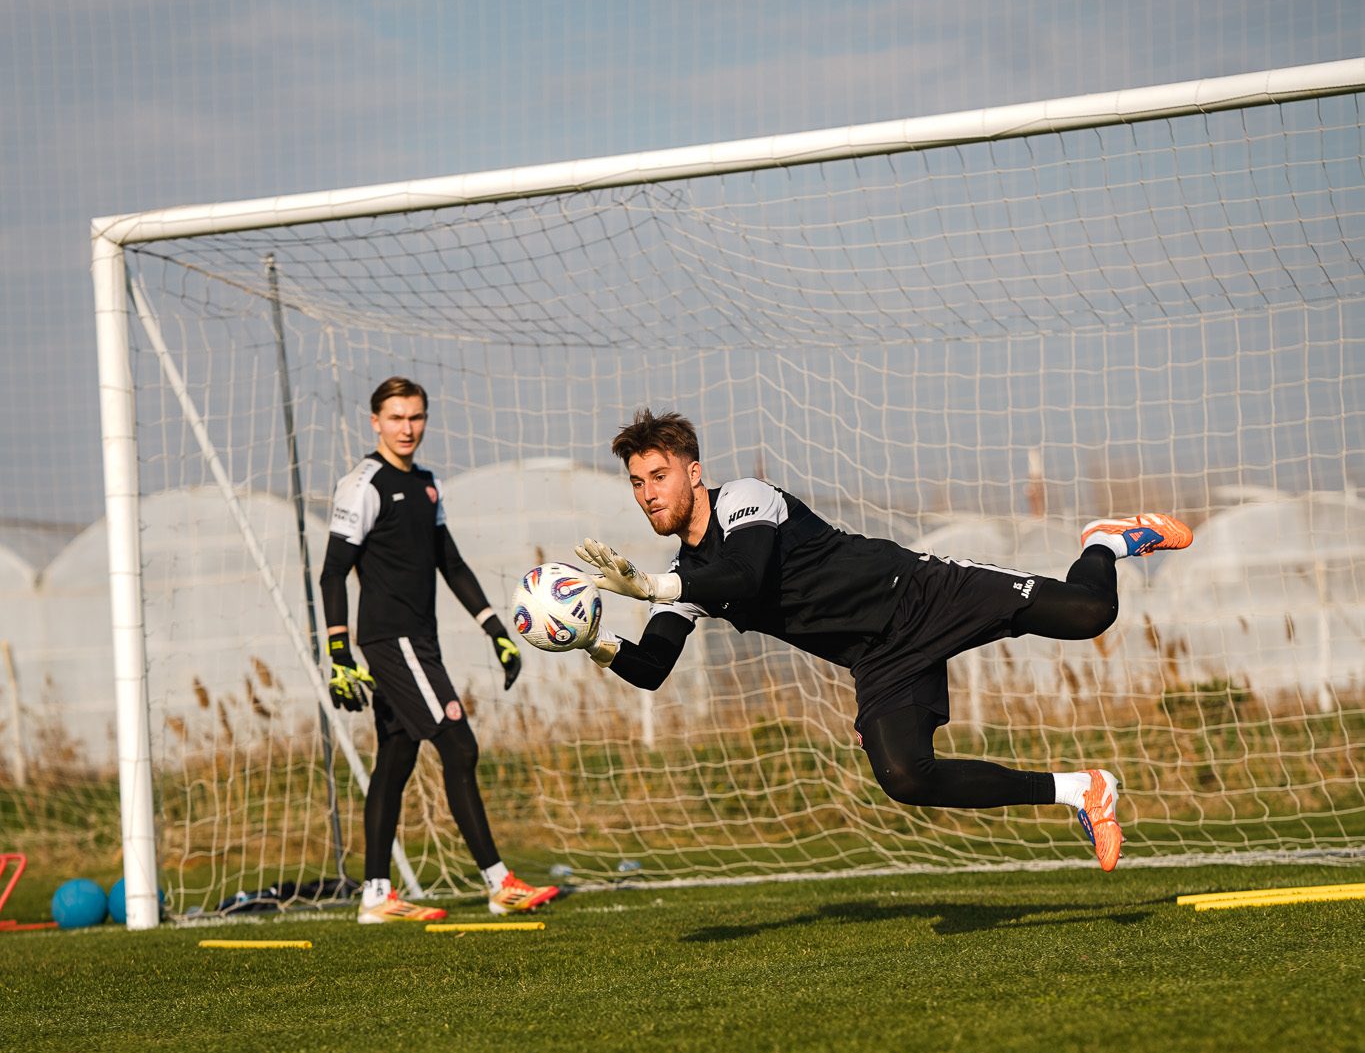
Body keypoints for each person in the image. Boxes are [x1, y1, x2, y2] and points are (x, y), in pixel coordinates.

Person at [571, 409, 1193, 870]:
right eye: (637, 483)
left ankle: (1103, 543)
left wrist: (654, 586)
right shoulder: (686, 579)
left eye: (659, 475)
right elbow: (652, 667)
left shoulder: (744, 501)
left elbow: (748, 572)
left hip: (922, 592)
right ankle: (1082, 790)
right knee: (905, 775)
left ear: (693, 471)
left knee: (1089, 614)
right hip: (881, 657)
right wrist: (594, 640)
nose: (649, 494)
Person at [318, 378, 558, 921]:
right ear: (375, 421)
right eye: (397, 417)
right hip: (391, 641)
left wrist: (495, 628)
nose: (408, 428)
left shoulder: (428, 485)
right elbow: (333, 573)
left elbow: (450, 564)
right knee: (459, 745)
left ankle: (376, 897)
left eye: (417, 417)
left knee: (395, 761)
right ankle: (499, 883)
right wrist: (338, 653)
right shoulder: (362, 484)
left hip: (419, 641)